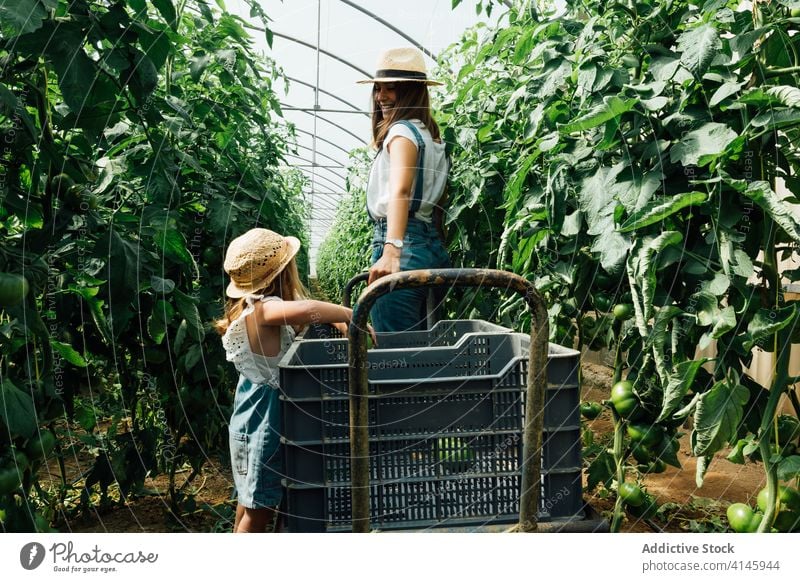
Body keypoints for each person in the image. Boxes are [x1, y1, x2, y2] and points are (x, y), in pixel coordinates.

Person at [215, 228, 357, 533]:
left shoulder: (250, 308)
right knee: (260, 509)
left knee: (249, 499)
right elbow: (308, 308)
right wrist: (347, 314)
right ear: (281, 273)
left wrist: (333, 318)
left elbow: (306, 306)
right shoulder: (266, 309)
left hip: (247, 418)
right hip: (266, 426)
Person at [358, 47, 451, 332]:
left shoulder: (400, 133)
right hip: (429, 245)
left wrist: (392, 250)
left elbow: (400, 191)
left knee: (395, 351)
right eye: (378, 88)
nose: (380, 96)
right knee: (424, 346)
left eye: (391, 89)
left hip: (403, 245)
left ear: (411, 92)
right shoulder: (431, 137)